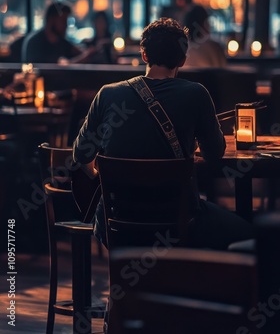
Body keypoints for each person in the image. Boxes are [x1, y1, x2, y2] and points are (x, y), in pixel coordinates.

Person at [73, 17, 253, 250]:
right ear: (183, 59)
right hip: (179, 223)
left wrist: (106, 174)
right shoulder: (196, 94)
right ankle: (200, 280)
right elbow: (215, 153)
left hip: (117, 225)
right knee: (248, 231)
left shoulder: (107, 94)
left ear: (144, 55)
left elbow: (80, 155)